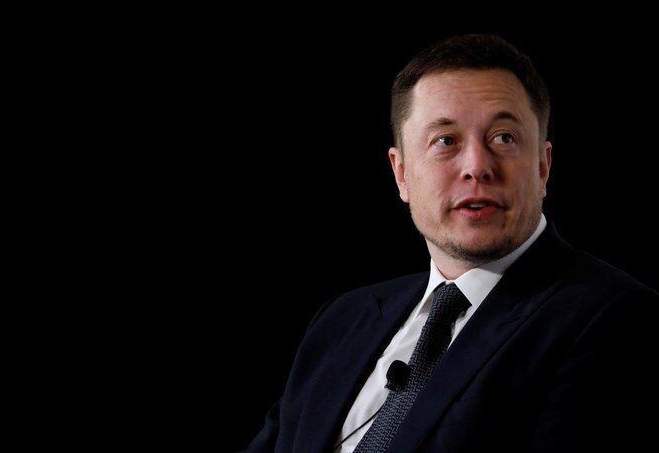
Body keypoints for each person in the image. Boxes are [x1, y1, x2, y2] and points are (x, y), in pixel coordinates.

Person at [245, 34, 658, 452]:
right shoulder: (341, 320)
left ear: (542, 167)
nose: (477, 167)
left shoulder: (615, 319)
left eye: (504, 138)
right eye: (446, 141)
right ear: (402, 174)